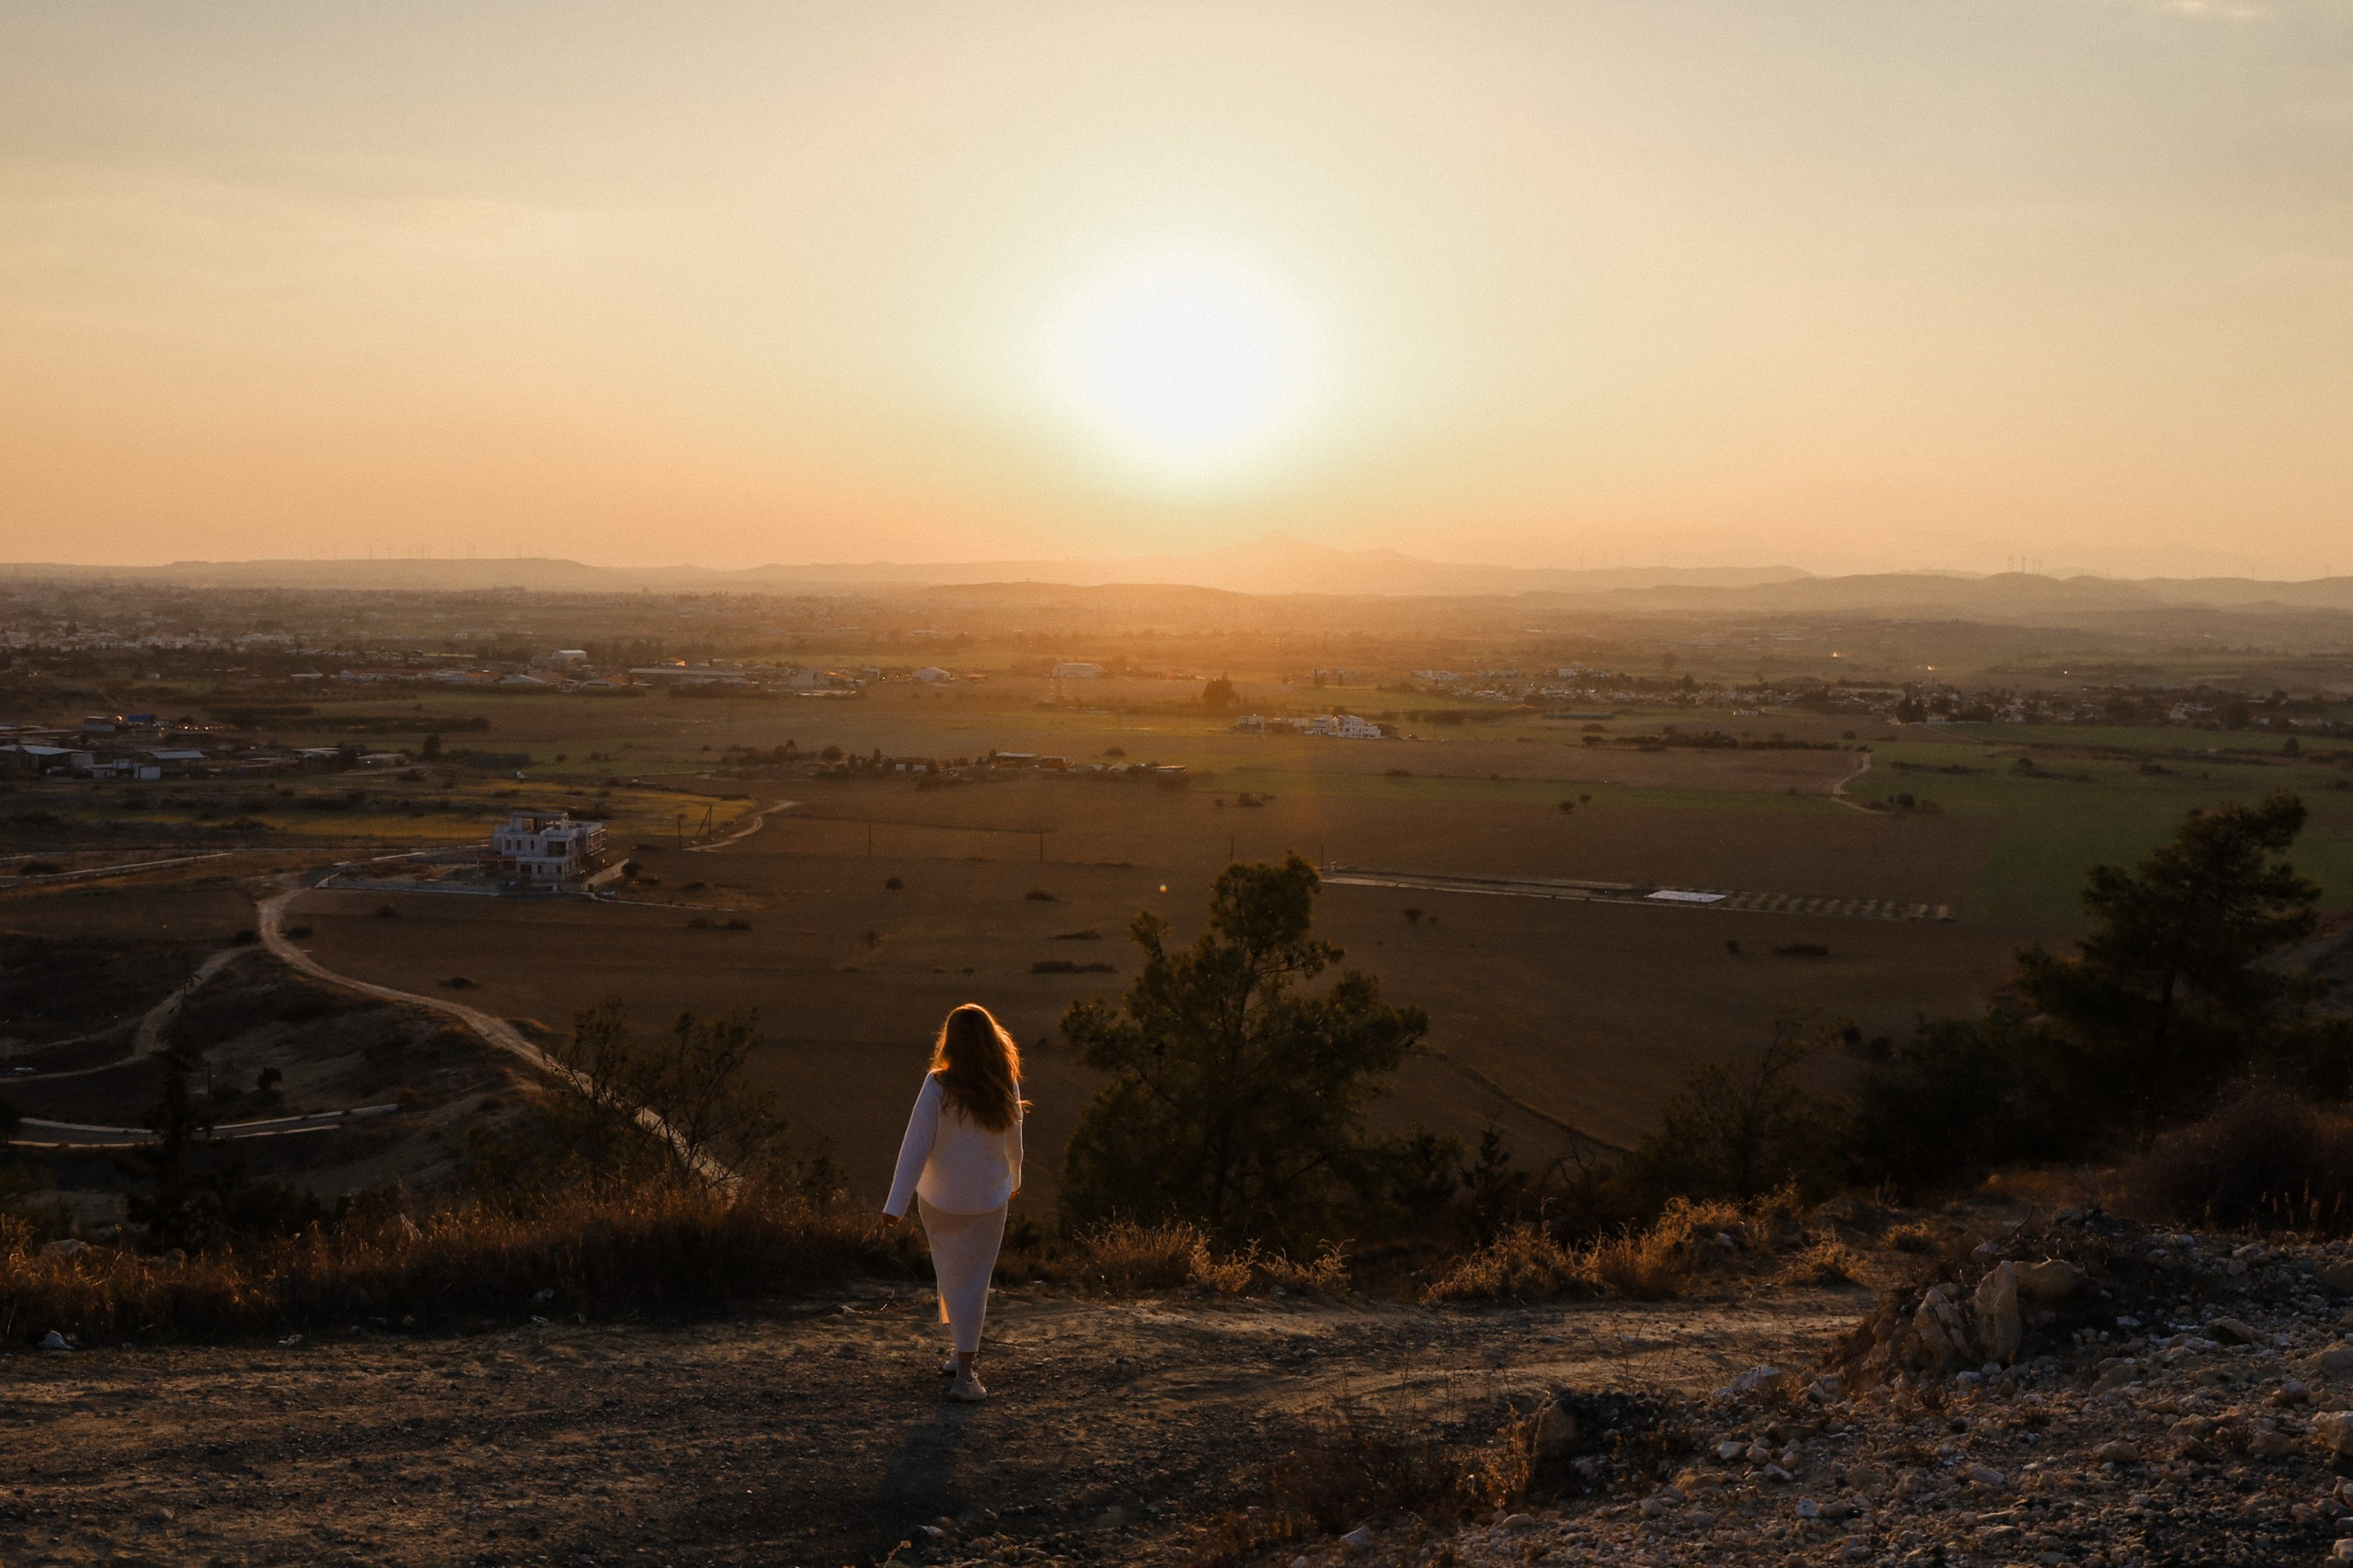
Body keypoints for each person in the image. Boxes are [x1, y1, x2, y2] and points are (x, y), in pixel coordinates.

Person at [882, 1003, 1025, 1402]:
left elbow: (915, 1148)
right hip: (989, 1200)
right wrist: (1016, 1180)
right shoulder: (1005, 1083)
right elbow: (1015, 1145)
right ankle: (965, 1373)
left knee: (950, 1272)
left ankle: (962, 1361)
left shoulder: (937, 1084)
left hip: (940, 1200)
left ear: (951, 1041)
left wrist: (895, 1206)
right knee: (974, 1281)